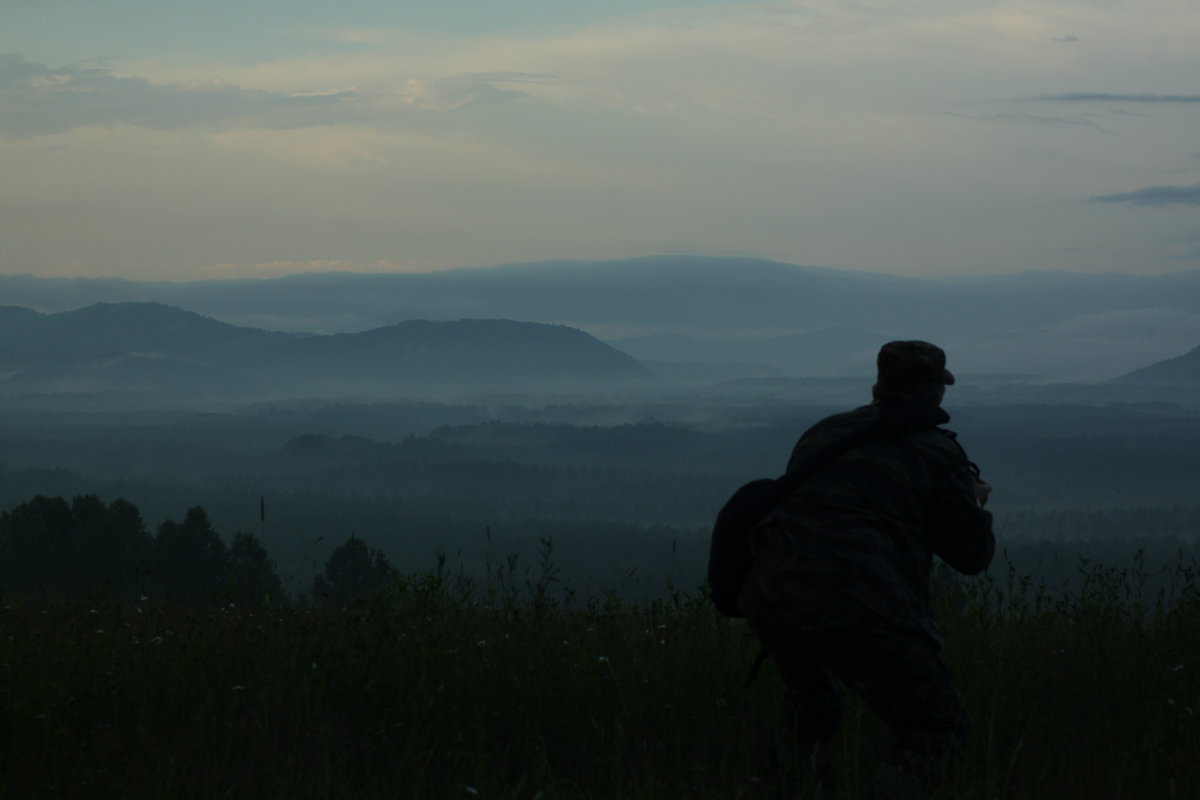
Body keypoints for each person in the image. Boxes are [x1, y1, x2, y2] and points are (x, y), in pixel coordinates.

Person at [736, 340, 994, 799]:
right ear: (937, 394)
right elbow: (972, 556)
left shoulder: (824, 433)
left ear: (877, 386)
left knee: (810, 716)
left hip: (775, 594)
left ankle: (788, 785)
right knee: (936, 730)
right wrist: (973, 502)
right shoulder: (938, 452)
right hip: (864, 603)